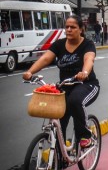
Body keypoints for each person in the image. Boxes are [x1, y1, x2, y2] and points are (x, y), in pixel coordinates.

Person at [23, 14, 100, 148]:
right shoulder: (59, 44)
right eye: (67, 27)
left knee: (75, 101)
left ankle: (85, 136)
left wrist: (85, 72)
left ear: (81, 29)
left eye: (73, 27)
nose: (69, 30)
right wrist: (30, 72)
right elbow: (45, 59)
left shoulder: (88, 44)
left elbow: (89, 59)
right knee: (58, 118)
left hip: (86, 84)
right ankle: (60, 158)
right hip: (65, 86)